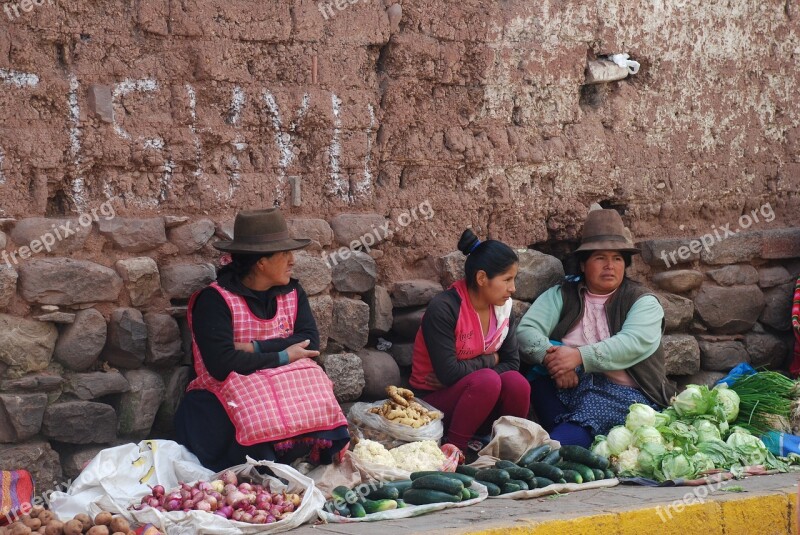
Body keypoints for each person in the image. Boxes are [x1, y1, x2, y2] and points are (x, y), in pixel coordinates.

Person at [174, 208, 349, 471]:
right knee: (250, 431)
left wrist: (255, 348)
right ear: (261, 262)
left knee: (314, 375)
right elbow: (222, 364)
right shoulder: (215, 301)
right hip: (225, 398)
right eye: (285, 254)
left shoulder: (292, 291)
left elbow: (310, 343)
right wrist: (284, 356)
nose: (292, 261)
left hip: (278, 389)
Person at [516, 208, 676, 448]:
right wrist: (557, 362)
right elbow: (525, 333)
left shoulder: (642, 302)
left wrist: (579, 356)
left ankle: (565, 443)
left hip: (622, 393)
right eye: (600, 257)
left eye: (617, 258)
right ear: (583, 265)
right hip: (567, 384)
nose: (609, 266)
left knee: (562, 441)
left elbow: (632, 342)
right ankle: (575, 442)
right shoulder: (562, 295)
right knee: (536, 385)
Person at [410, 229, 531, 458]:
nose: (513, 288)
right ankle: (455, 451)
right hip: (435, 405)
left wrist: (468, 371)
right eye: (507, 280)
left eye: (514, 280)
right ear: (482, 278)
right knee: (487, 380)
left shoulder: (503, 310)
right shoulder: (445, 308)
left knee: (517, 383)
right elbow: (448, 374)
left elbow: (512, 364)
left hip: (478, 401)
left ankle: (508, 451)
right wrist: (491, 360)